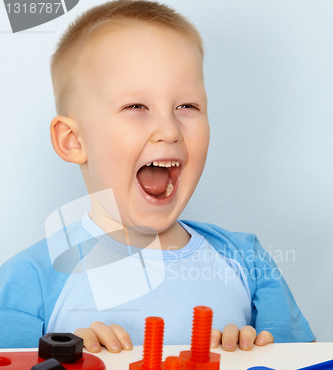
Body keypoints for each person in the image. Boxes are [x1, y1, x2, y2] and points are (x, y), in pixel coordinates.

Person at [0, 0, 315, 352]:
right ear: (73, 140)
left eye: (187, 106)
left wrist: (255, 354)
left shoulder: (249, 262)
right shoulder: (28, 278)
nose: (169, 129)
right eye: (136, 107)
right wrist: (58, 361)